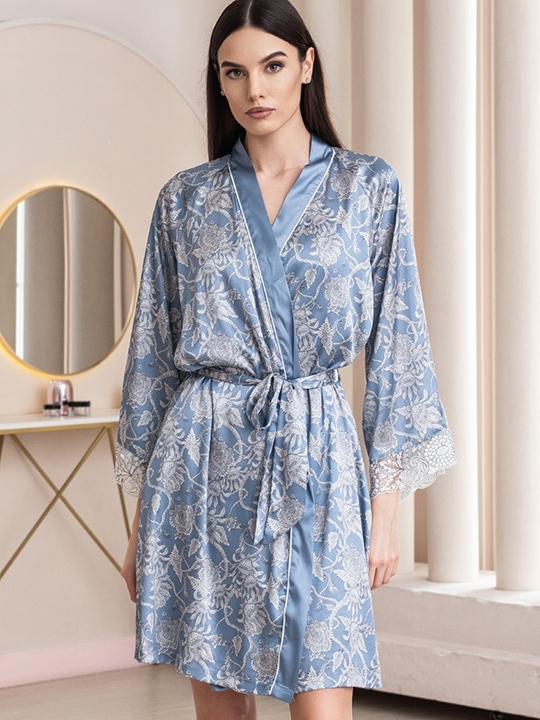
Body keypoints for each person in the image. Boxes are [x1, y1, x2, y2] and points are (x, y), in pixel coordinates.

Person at [116, 1, 456, 718]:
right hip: (204, 457)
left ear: (306, 65)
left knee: (323, 692)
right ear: (219, 81)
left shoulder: (368, 188)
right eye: (234, 73)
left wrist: (385, 511)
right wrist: (142, 524)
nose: (255, 90)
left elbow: (398, 347)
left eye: (272, 66)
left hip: (317, 456)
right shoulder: (186, 201)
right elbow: (152, 364)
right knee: (222, 705)